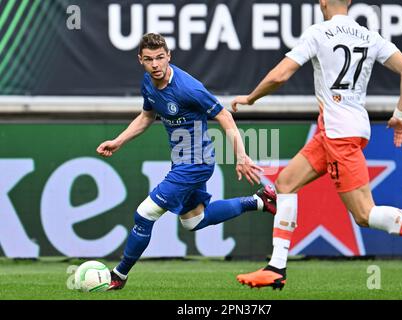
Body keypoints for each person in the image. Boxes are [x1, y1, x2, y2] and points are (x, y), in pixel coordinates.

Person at [231, 0, 402, 290]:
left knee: (363, 213)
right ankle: (276, 267)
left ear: (322, 2)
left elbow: (280, 75)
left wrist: (250, 98)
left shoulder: (319, 33)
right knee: (285, 183)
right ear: (348, 2)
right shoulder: (368, 35)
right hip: (343, 129)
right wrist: (400, 115)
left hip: (338, 135)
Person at [96, 33, 277, 290]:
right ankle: (259, 201)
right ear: (141, 60)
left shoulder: (188, 88)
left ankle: (119, 275)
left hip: (196, 163)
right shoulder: (148, 82)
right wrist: (118, 141)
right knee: (193, 220)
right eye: (149, 59)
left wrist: (241, 155)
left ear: (169, 56)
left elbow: (224, 116)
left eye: (160, 57)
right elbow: (147, 117)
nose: (155, 64)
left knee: (144, 214)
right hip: (182, 162)